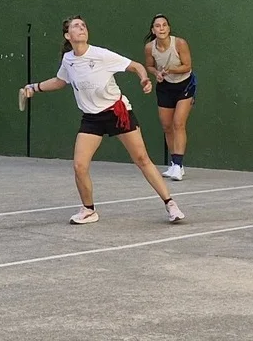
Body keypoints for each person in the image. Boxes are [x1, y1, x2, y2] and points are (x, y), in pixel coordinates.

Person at [21, 15, 185, 224]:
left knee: (142, 159)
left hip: (117, 112)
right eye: (76, 26)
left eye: (83, 25)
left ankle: (170, 204)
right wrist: (34, 87)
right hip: (91, 118)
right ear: (68, 36)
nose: (82, 28)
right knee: (79, 166)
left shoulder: (101, 55)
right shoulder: (68, 60)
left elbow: (136, 65)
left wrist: (144, 79)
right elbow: (60, 81)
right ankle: (89, 210)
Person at [143, 14, 197, 181]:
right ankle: (174, 164)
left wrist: (170, 70)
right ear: (153, 30)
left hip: (185, 85)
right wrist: (157, 73)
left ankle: (178, 166)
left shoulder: (179, 43)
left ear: (169, 28)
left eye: (164, 25)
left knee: (178, 123)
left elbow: (187, 66)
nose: (161, 28)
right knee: (167, 126)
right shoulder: (149, 48)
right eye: (158, 26)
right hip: (165, 87)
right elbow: (149, 66)